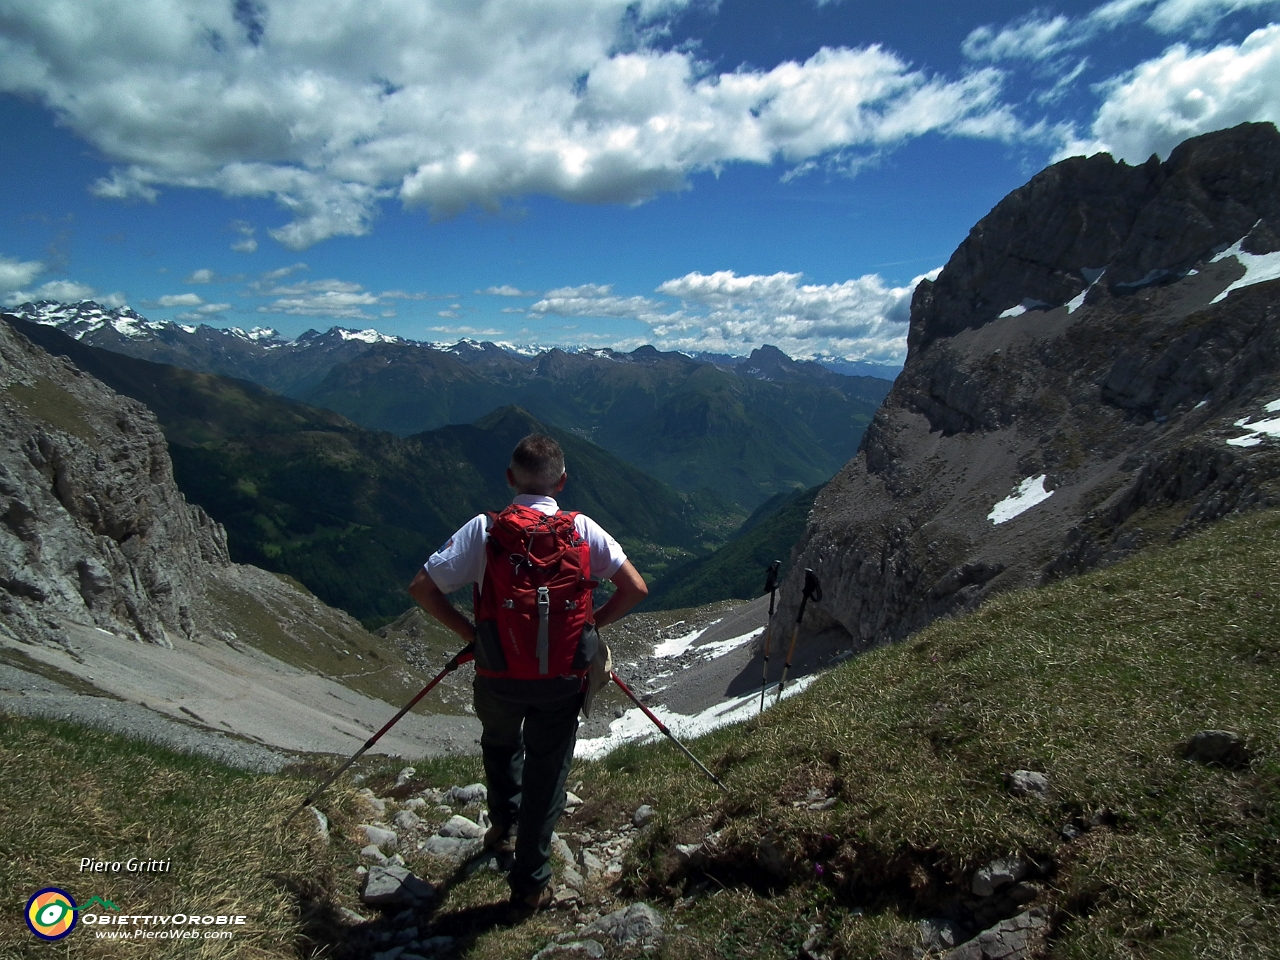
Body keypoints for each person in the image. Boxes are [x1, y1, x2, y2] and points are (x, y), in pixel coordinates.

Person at [408, 433, 648, 912]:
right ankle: (531, 881)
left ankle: (502, 823)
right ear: (561, 480)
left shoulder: (485, 530)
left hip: (497, 670)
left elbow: (422, 589)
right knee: (548, 769)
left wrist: (472, 636)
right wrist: (587, 626)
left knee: (499, 741)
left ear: (509, 478)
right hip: (562, 676)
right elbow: (636, 588)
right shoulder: (580, 529)